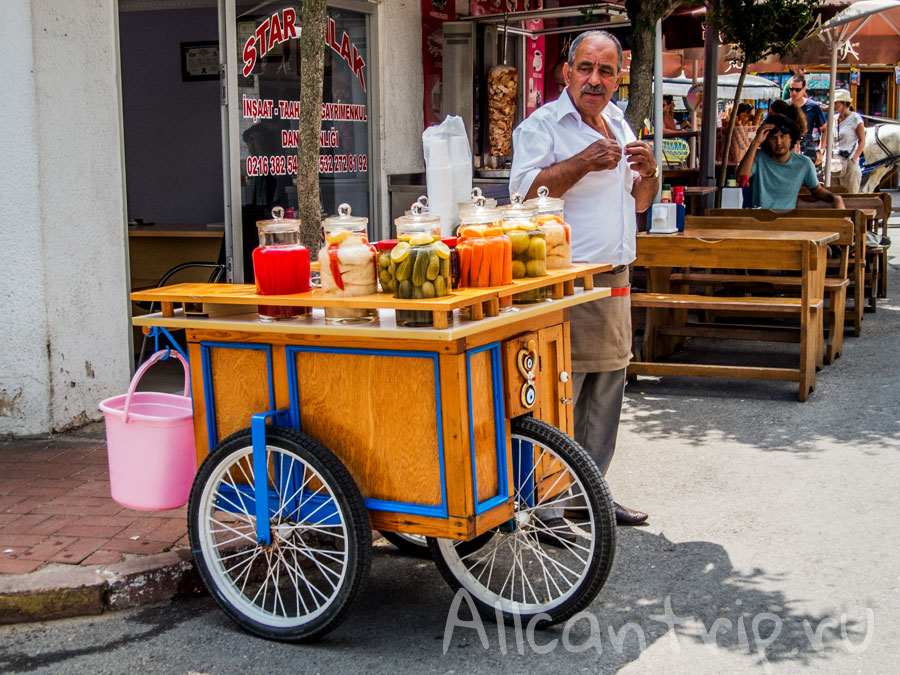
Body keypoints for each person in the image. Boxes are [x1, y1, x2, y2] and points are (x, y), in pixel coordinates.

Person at [510, 29, 657, 527]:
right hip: (567, 286)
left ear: (619, 77)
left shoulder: (619, 120)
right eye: (586, 69)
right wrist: (581, 162)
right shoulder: (544, 125)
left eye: (606, 71)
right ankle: (551, 504)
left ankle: (590, 495)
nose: (595, 80)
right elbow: (523, 197)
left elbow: (636, 201)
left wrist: (651, 175)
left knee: (608, 393)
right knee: (563, 396)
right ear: (567, 71)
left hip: (616, 279)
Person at [737, 99, 844, 210]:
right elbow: (740, 177)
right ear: (767, 140)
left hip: (787, 222)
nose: (779, 143)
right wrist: (755, 143)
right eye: (773, 138)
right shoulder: (758, 157)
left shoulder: (804, 163)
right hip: (758, 220)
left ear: (791, 137)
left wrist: (835, 198)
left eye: (783, 136)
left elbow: (816, 190)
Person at [830, 88, 865, 193]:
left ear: (844, 103)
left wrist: (854, 158)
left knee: (850, 197)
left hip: (849, 161)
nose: (834, 105)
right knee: (834, 196)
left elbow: (862, 141)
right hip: (834, 162)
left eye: (836, 103)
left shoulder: (855, 118)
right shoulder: (834, 118)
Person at [788, 74, 827, 165]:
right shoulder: (784, 106)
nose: (794, 92)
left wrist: (821, 150)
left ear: (804, 89)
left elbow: (824, 129)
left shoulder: (813, 107)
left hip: (806, 148)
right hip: (787, 148)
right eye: (791, 89)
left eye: (797, 90)